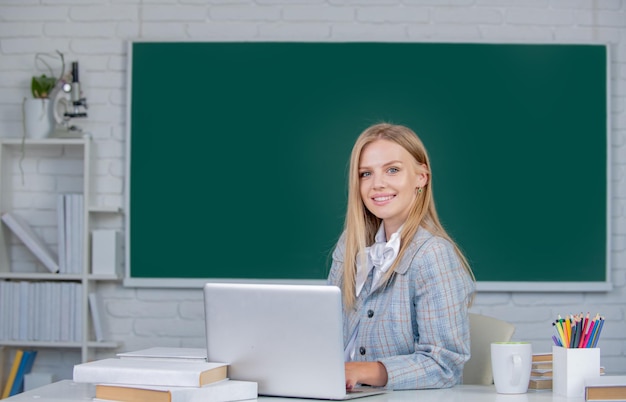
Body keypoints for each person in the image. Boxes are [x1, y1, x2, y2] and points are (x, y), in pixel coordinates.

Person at [327, 123, 475, 391]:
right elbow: (326, 331)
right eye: (365, 174)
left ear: (421, 177)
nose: (377, 184)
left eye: (392, 170)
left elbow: (445, 366)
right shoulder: (350, 244)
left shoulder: (433, 255)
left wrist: (365, 370)